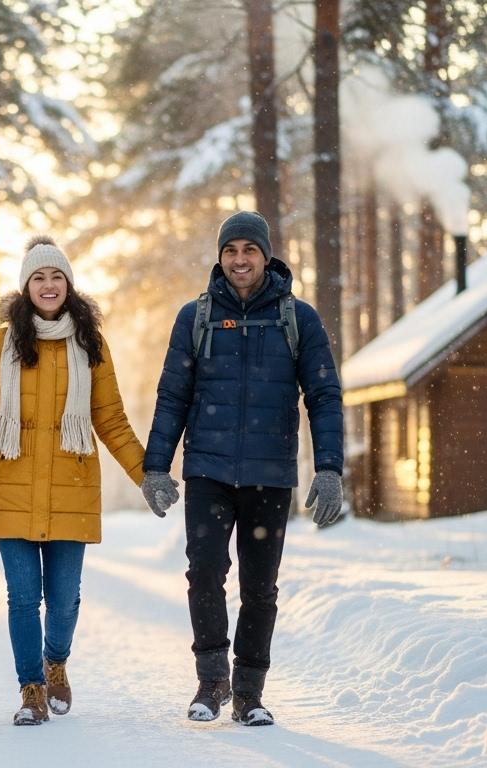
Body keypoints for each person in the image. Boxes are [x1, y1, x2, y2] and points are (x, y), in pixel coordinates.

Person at [143, 211, 343, 726]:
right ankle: (212, 682)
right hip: (207, 472)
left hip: (269, 475)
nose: (239, 260)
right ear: (220, 257)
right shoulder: (196, 317)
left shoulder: (298, 319)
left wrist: (329, 468)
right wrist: (156, 466)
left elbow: (324, 395)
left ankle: (249, 693)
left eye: (249, 250)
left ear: (265, 256)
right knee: (205, 573)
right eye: (230, 250)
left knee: (260, 587)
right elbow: (172, 396)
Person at [0, 235, 150, 726]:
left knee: (63, 600)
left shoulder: (90, 343)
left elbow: (110, 419)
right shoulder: (0, 344)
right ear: (26, 286)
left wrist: (147, 475)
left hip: (71, 486)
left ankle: (55, 660)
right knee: (22, 598)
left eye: (57, 276)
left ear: (69, 284)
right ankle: (31, 688)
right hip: (10, 486)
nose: (48, 284)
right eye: (38, 277)